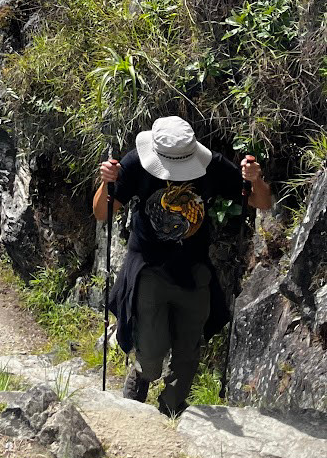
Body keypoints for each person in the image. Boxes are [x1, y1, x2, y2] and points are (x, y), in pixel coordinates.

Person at [94, 115, 271, 417]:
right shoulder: (136, 163)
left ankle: (171, 415)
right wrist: (106, 183)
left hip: (193, 270)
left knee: (188, 352)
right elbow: (102, 212)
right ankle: (141, 376)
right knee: (150, 354)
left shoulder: (212, 165)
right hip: (149, 267)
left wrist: (255, 180)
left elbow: (261, 203)